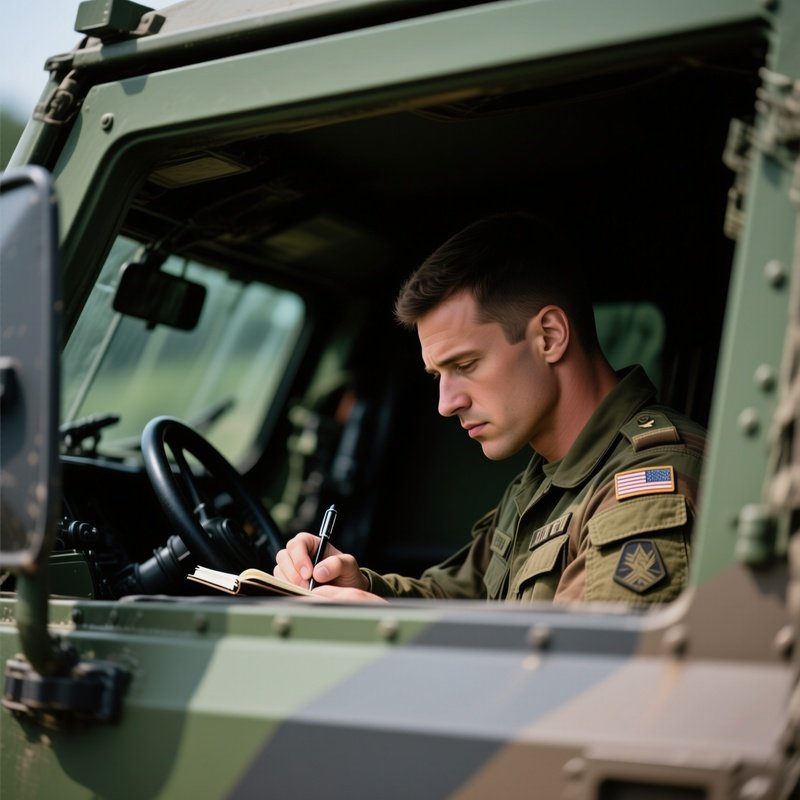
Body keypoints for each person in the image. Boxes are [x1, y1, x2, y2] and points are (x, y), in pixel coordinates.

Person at [274, 212, 706, 604]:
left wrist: (392, 637)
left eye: (465, 365)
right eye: (437, 375)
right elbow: (457, 596)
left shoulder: (648, 484)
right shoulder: (539, 484)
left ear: (550, 336)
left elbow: (581, 679)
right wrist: (363, 589)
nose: (446, 404)